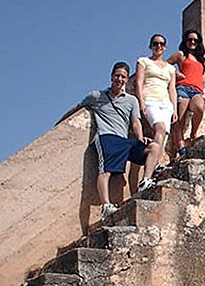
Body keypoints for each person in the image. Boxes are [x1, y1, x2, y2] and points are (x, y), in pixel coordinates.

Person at [56, 62, 161, 216]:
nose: (120, 79)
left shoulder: (131, 100)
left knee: (154, 147)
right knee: (105, 171)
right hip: (107, 137)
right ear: (112, 77)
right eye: (117, 76)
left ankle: (145, 181)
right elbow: (76, 108)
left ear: (127, 79)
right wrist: (59, 124)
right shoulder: (96, 96)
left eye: (123, 77)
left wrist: (140, 137)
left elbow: (135, 121)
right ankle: (106, 206)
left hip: (124, 140)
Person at [135, 33, 177, 155]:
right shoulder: (143, 61)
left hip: (166, 103)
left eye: (161, 44)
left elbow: (172, 89)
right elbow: (139, 82)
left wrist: (174, 109)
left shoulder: (171, 68)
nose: (159, 46)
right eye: (155, 43)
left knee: (164, 133)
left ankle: (155, 161)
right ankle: (153, 161)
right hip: (150, 100)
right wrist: (141, 103)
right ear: (150, 46)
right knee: (160, 127)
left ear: (165, 47)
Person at [168, 29, 205, 157]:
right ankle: (181, 149)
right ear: (185, 41)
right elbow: (165, 65)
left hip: (197, 91)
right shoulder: (181, 55)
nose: (192, 42)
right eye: (190, 39)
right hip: (183, 88)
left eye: (195, 40)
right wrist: (175, 73)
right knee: (179, 120)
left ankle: (193, 134)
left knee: (199, 107)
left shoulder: (200, 59)